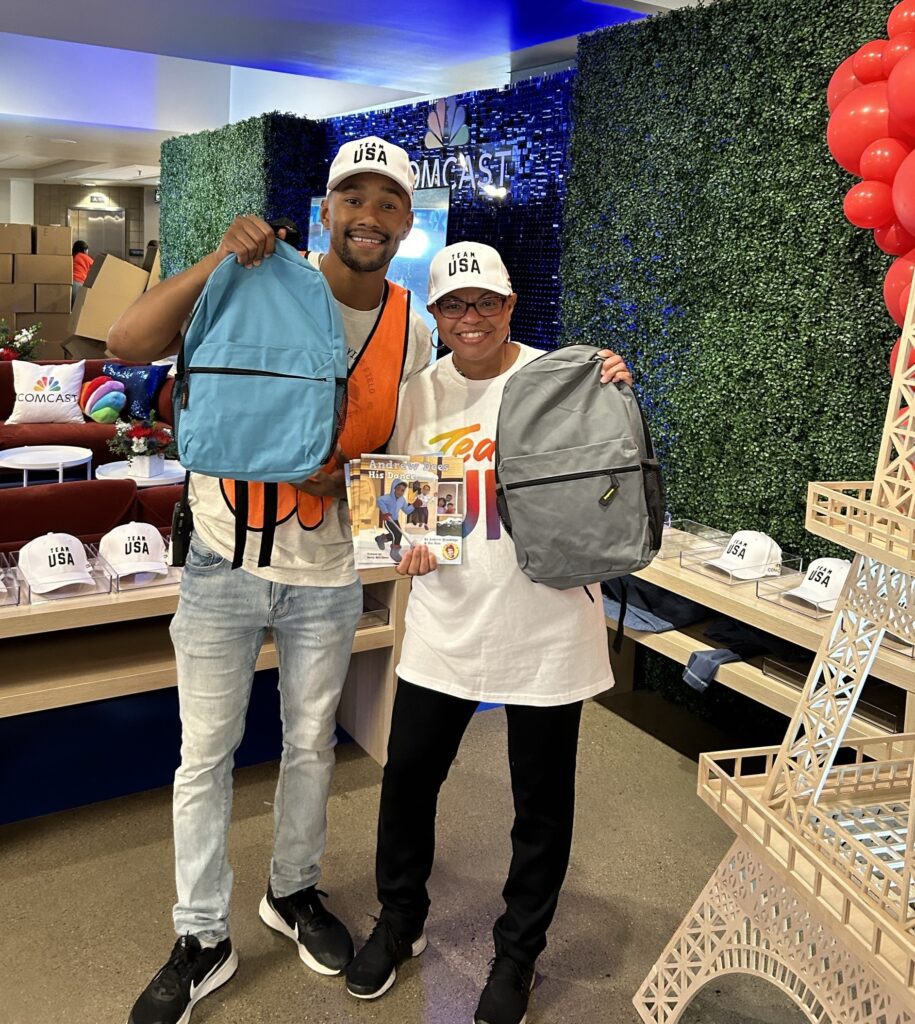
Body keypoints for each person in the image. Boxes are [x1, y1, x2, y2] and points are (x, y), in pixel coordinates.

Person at [107, 136, 431, 1024]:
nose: (368, 215)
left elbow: (419, 456)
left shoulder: (414, 323)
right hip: (221, 559)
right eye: (351, 198)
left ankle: (292, 893)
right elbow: (126, 341)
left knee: (308, 746)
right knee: (204, 755)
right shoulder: (250, 275)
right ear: (324, 211)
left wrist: (359, 486)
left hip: (327, 572)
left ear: (407, 222)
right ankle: (200, 935)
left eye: (388, 202)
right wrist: (218, 252)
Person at [343, 241, 632, 1024]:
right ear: (434, 316)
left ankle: (517, 954)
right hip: (444, 625)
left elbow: (615, 473)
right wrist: (397, 542)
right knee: (407, 782)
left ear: (510, 306)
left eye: (485, 303)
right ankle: (399, 920)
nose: (470, 318)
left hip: (547, 626)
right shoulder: (416, 394)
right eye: (452, 306)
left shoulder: (562, 377)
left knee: (540, 804)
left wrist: (616, 389)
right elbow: (387, 498)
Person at [374, 478, 412, 563]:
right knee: (397, 534)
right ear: (394, 488)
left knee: (396, 534)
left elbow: (406, 510)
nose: (400, 492)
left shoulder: (402, 500)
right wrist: (385, 512)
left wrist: (414, 506)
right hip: (388, 519)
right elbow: (379, 500)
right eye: (398, 489)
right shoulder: (387, 498)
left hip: (395, 519)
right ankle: (394, 552)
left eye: (402, 490)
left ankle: (381, 539)